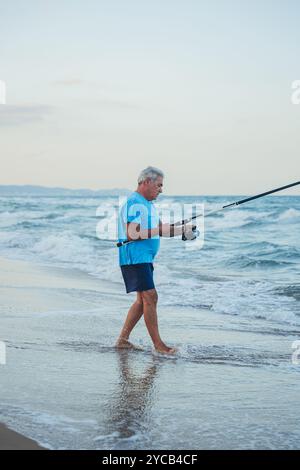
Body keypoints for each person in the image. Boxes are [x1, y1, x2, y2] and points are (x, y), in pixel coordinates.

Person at [116, 166, 195, 354]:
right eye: (159, 185)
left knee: (142, 300)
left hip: (144, 258)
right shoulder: (134, 202)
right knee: (150, 297)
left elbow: (161, 229)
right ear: (146, 182)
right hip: (134, 257)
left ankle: (122, 340)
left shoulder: (147, 204)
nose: (161, 189)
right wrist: (160, 230)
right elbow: (132, 234)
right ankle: (159, 346)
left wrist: (183, 229)